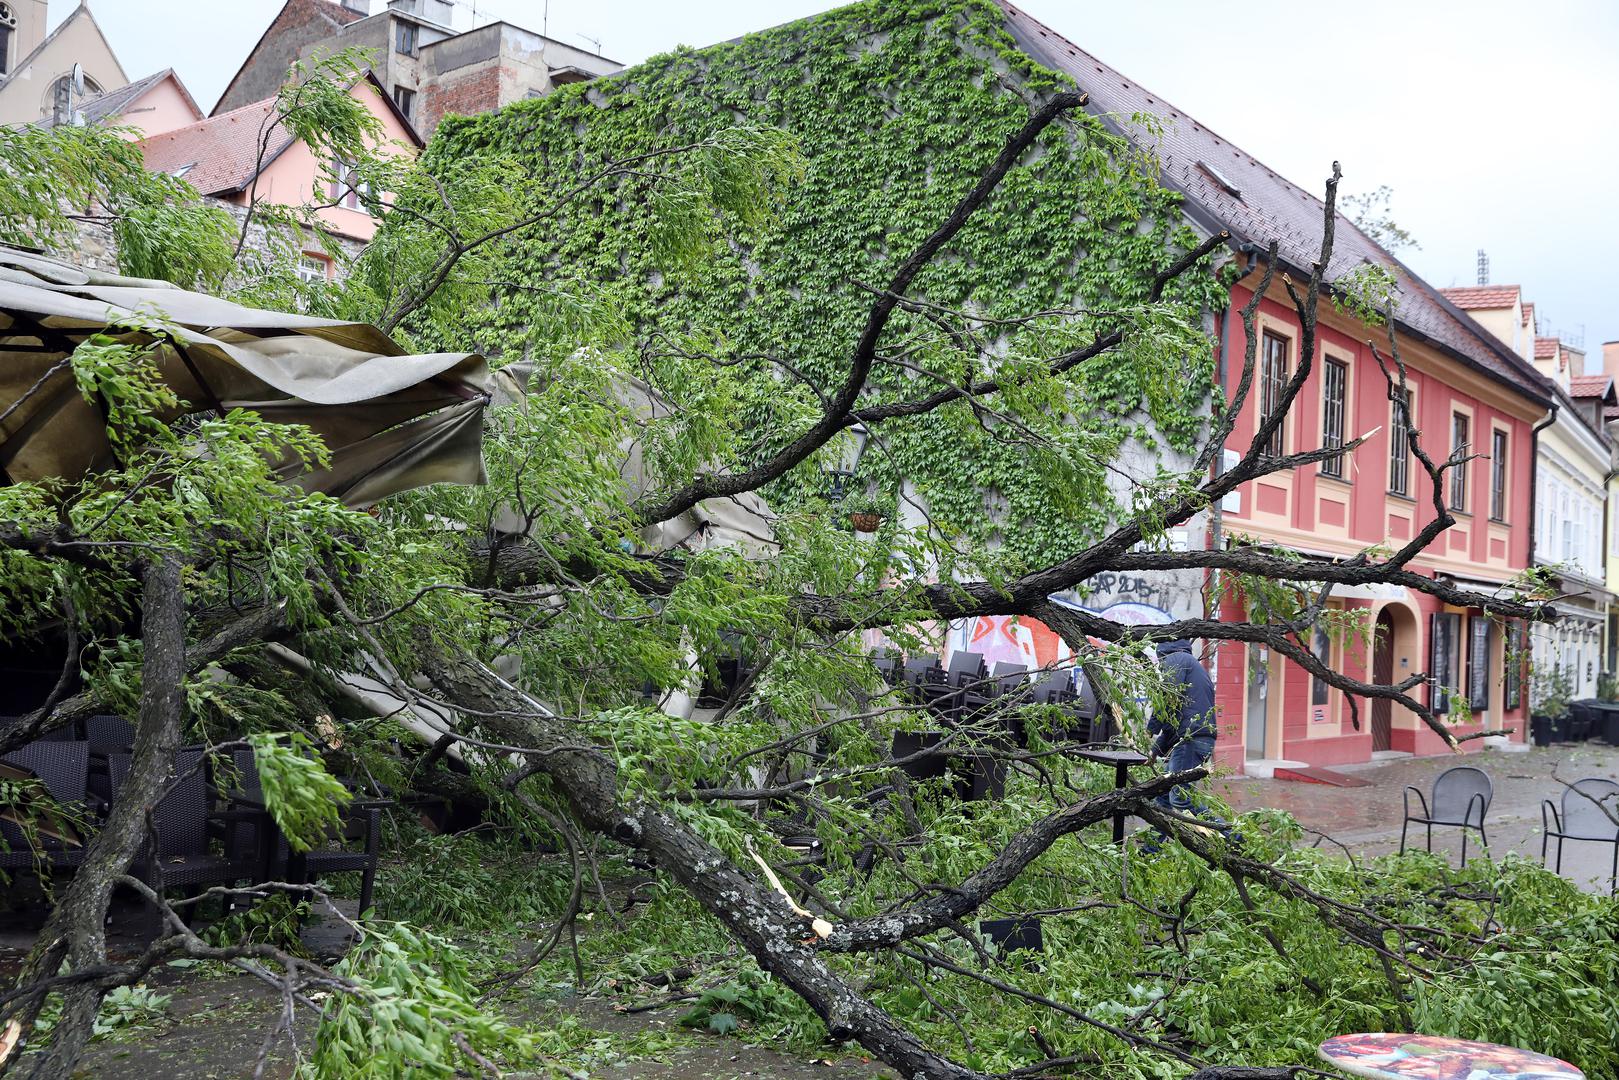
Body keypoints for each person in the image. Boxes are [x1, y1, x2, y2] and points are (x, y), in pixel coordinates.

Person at [1143, 639, 1228, 847]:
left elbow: (1169, 699)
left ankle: (1232, 839)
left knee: (1181, 799)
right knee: (1162, 797)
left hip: (1191, 740)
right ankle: (1150, 850)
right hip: (1191, 738)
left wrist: (1150, 729)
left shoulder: (1177, 659)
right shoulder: (1190, 664)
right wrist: (1156, 750)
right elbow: (1177, 717)